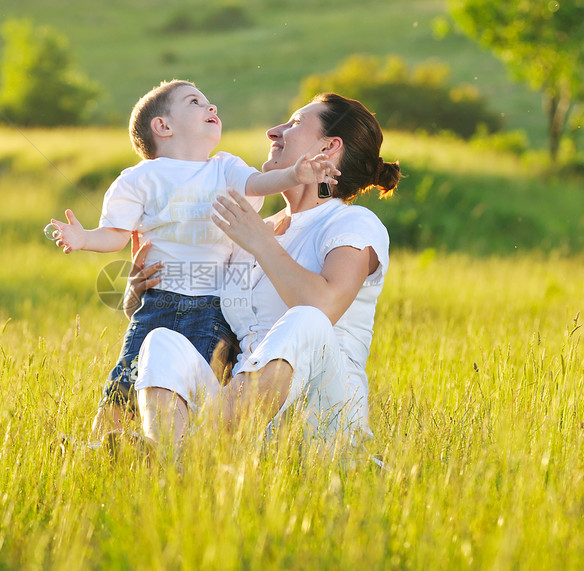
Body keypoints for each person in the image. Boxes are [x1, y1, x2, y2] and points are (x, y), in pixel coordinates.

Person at [46, 80, 340, 435]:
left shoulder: (225, 168)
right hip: (156, 304)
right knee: (126, 381)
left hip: (212, 308)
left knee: (194, 385)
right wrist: (84, 238)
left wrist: (295, 174)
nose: (211, 107)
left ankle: (176, 449)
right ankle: (97, 448)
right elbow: (117, 236)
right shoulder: (139, 179)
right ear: (163, 126)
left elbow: (260, 184)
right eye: (195, 102)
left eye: (209, 102)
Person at [129, 92, 401, 449]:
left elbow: (324, 306)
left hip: (321, 419)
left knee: (307, 320)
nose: (274, 131)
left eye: (295, 123)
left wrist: (261, 242)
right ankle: (172, 456)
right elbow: (205, 321)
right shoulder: (252, 231)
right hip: (246, 423)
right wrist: (139, 298)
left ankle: (189, 454)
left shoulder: (352, 222)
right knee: (163, 342)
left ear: (329, 147)